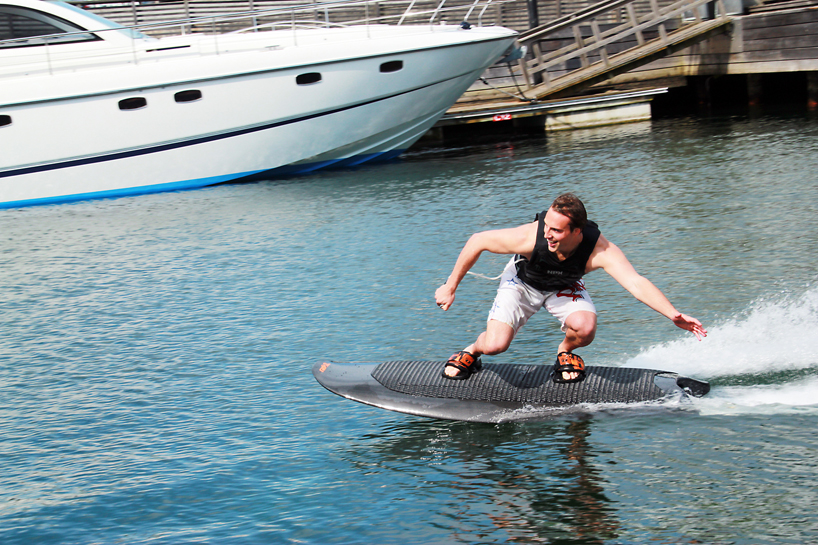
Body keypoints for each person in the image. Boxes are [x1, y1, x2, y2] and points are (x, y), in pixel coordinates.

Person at [434, 193, 707, 382]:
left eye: (557, 231)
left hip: (563, 284)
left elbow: (635, 282)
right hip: (523, 283)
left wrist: (672, 313)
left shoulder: (599, 249)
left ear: (577, 231)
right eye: (547, 227)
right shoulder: (531, 238)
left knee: (585, 328)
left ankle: (565, 352)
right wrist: (451, 285)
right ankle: (472, 351)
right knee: (495, 345)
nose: (547, 234)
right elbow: (477, 240)